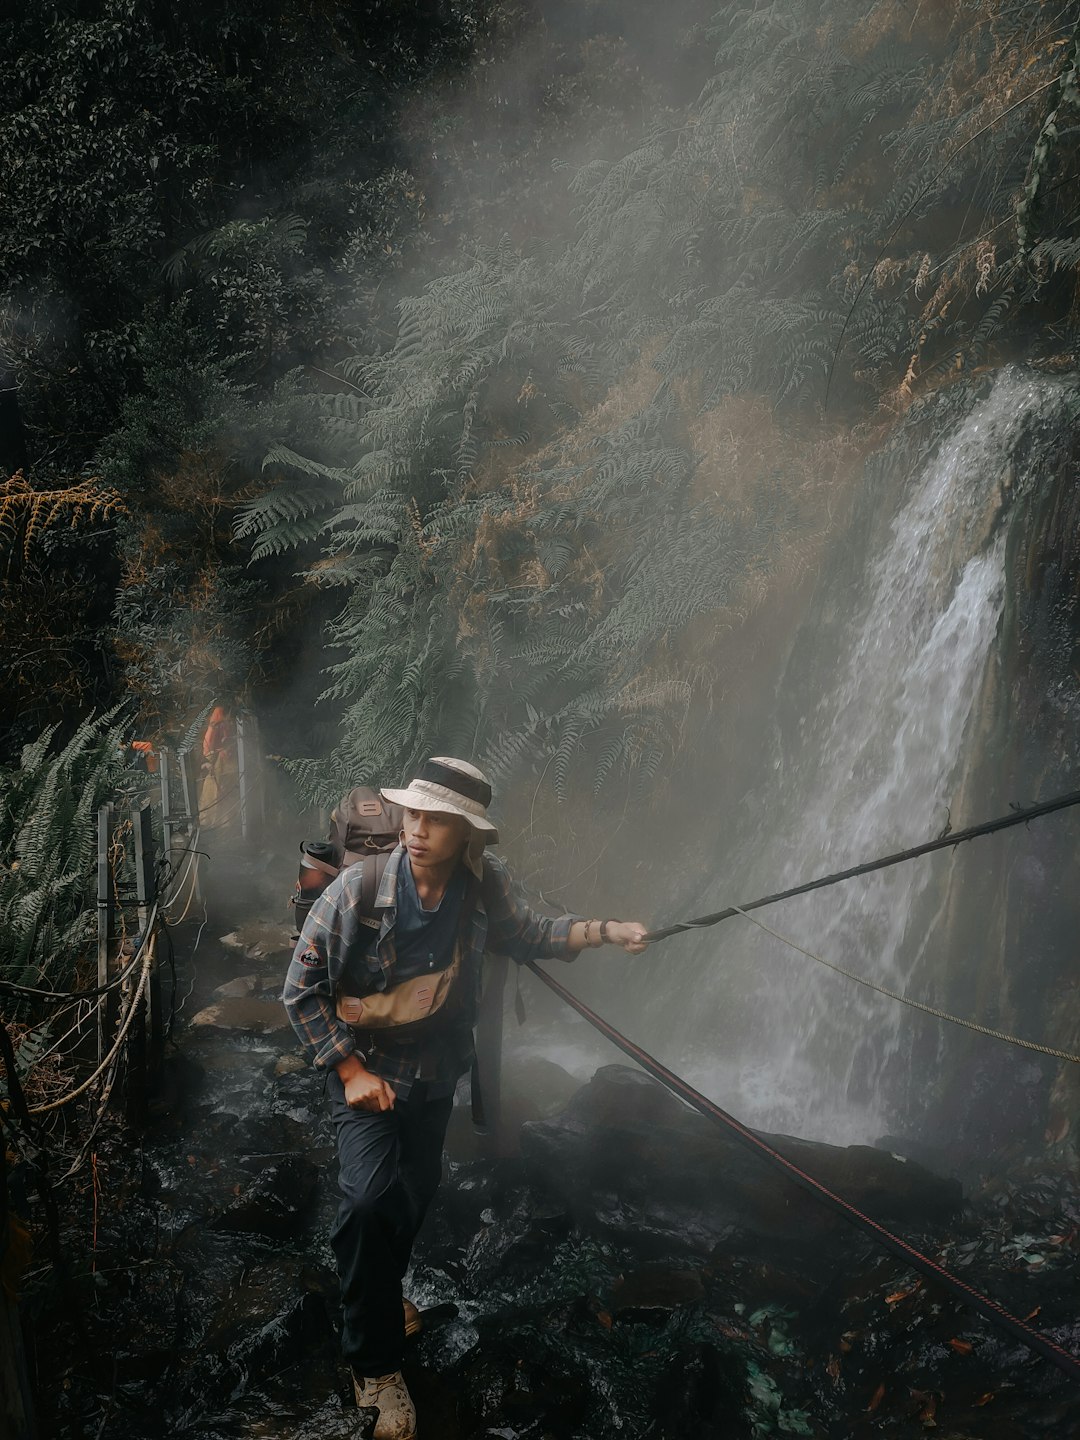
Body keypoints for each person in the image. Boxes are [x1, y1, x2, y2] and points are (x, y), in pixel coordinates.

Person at [282, 756, 648, 1440]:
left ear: (468, 836)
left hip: (435, 1077)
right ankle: (375, 1367)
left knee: (413, 1200)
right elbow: (299, 995)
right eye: (413, 816)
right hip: (367, 1071)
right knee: (366, 1201)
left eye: (438, 822)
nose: (418, 831)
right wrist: (348, 1069)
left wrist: (610, 932)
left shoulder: (481, 889)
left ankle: (378, 1291)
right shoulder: (356, 891)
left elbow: (531, 934)